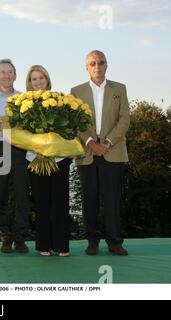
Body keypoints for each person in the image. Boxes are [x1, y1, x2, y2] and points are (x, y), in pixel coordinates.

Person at [71, 50, 130, 256]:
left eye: (101, 62)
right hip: (87, 153)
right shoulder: (76, 92)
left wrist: (107, 143)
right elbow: (76, 122)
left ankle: (115, 242)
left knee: (112, 198)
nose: (97, 66)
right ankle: (92, 241)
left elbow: (124, 120)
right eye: (93, 63)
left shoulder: (119, 89)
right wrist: (90, 143)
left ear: (106, 65)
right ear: (86, 67)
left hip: (112, 151)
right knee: (90, 199)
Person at [0, 59, 30, 254]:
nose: (7, 75)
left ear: (15, 76)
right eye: (3, 72)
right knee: (0, 195)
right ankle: (6, 237)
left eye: (10, 72)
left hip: (19, 148)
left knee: (21, 195)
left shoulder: (24, 98)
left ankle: (20, 238)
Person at [26, 65, 72, 257]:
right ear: (29, 83)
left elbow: (68, 128)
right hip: (35, 158)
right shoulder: (21, 104)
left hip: (59, 158)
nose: (38, 82)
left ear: (47, 80)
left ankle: (62, 245)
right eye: (34, 79)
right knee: (41, 203)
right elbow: (21, 133)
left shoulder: (60, 101)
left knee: (60, 202)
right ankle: (43, 245)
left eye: (41, 78)